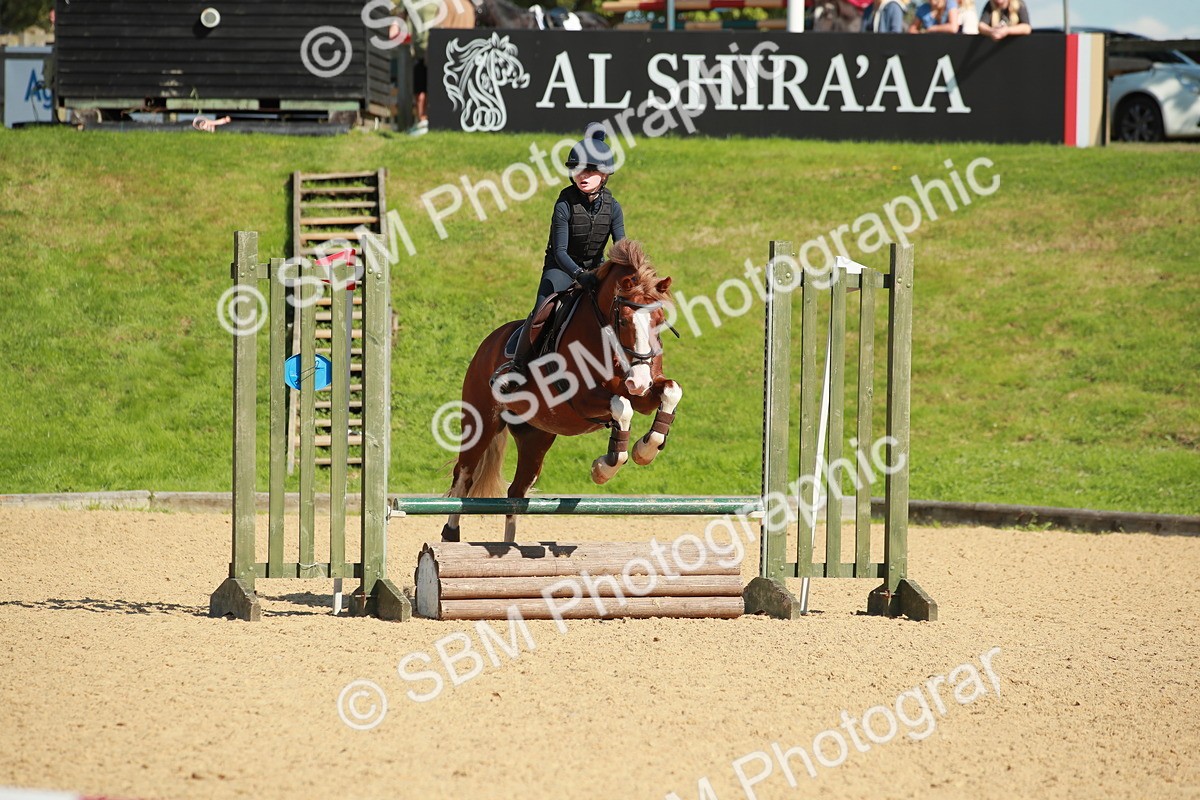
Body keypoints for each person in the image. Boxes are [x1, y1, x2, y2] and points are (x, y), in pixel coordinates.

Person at [505, 124, 626, 381]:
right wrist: (578, 274)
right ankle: (517, 368)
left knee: (621, 309)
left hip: (596, 269)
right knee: (542, 311)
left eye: (591, 170)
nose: (583, 174)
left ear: (604, 175)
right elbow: (559, 251)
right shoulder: (564, 203)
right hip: (561, 268)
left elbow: (620, 248)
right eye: (579, 169)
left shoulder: (613, 208)